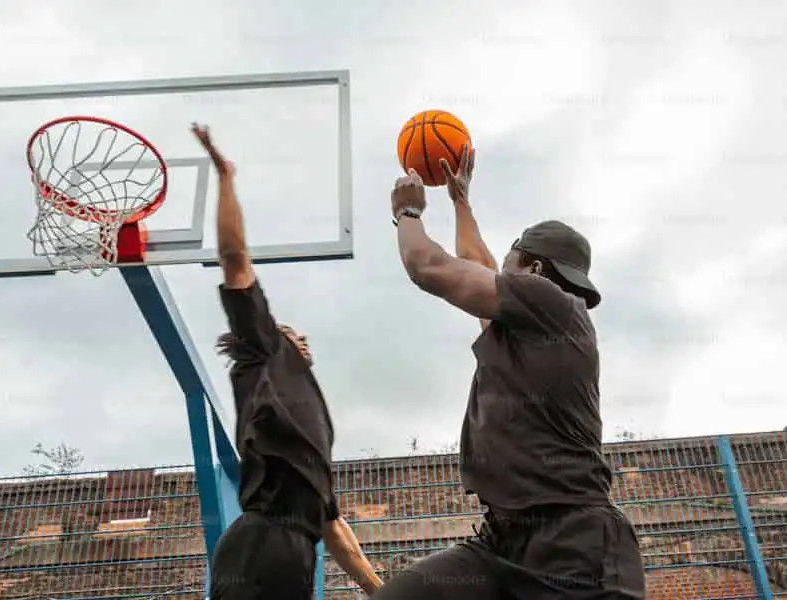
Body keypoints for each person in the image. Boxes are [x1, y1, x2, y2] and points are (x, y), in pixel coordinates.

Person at [376, 149, 646, 599]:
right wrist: (461, 202)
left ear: (535, 271)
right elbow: (476, 262)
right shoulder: (532, 324)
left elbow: (430, 266)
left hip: (575, 548)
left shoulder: (549, 304)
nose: (496, 273)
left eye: (509, 263)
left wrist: (408, 211)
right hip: (504, 541)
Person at [192, 123, 383, 600]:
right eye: (293, 332)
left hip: (295, 552)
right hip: (261, 545)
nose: (303, 338)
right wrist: (226, 175)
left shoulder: (312, 424)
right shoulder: (263, 352)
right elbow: (235, 260)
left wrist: (380, 590)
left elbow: (337, 533)